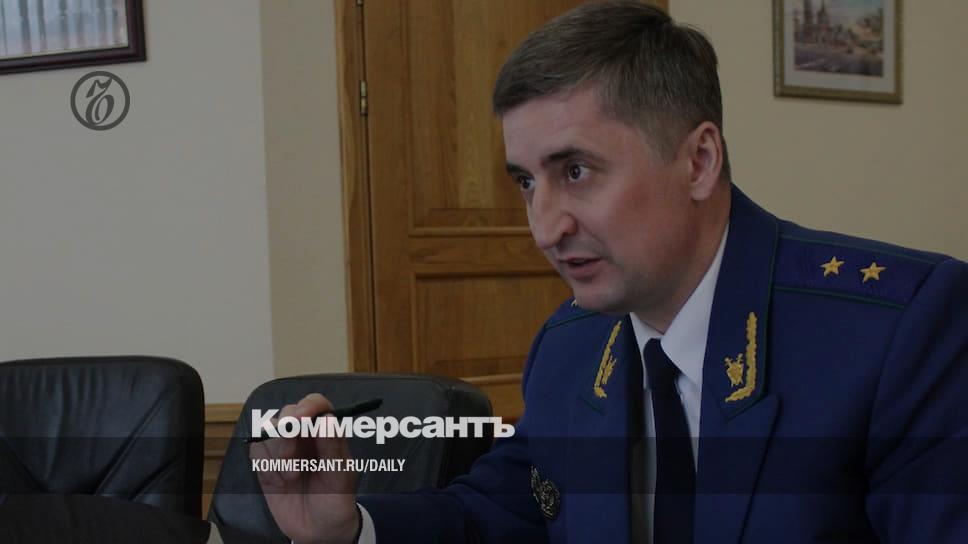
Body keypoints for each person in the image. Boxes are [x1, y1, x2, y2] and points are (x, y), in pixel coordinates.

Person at [250, 2, 968, 542]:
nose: (544, 227)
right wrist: (352, 529)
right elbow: (508, 508)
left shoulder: (898, 332)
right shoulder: (571, 346)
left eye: (576, 171)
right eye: (526, 181)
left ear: (698, 161)